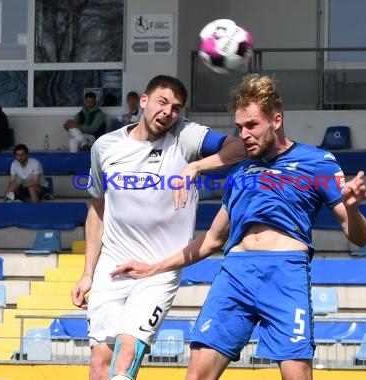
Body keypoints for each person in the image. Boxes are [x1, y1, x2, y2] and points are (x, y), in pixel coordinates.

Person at [111, 74, 366, 380]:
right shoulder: (240, 172)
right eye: (239, 127)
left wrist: (353, 210)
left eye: (251, 125)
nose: (243, 134)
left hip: (285, 276)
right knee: (195, 376)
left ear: (276, 120)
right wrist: (154, 267)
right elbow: (211, 241)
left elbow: (360, 238)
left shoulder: (318, 162)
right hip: (234, 275)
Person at [70, 75, 246, 380]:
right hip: (111, 267)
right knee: (100, 364)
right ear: (144, 101)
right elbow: (97, 210)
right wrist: (87, 273)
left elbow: (240, 148)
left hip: (158, 271)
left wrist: (195, 166)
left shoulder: (186, 135)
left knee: (126, 357)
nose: (168, 112)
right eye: (162, 102)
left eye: (176, 108)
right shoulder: (104, 147)